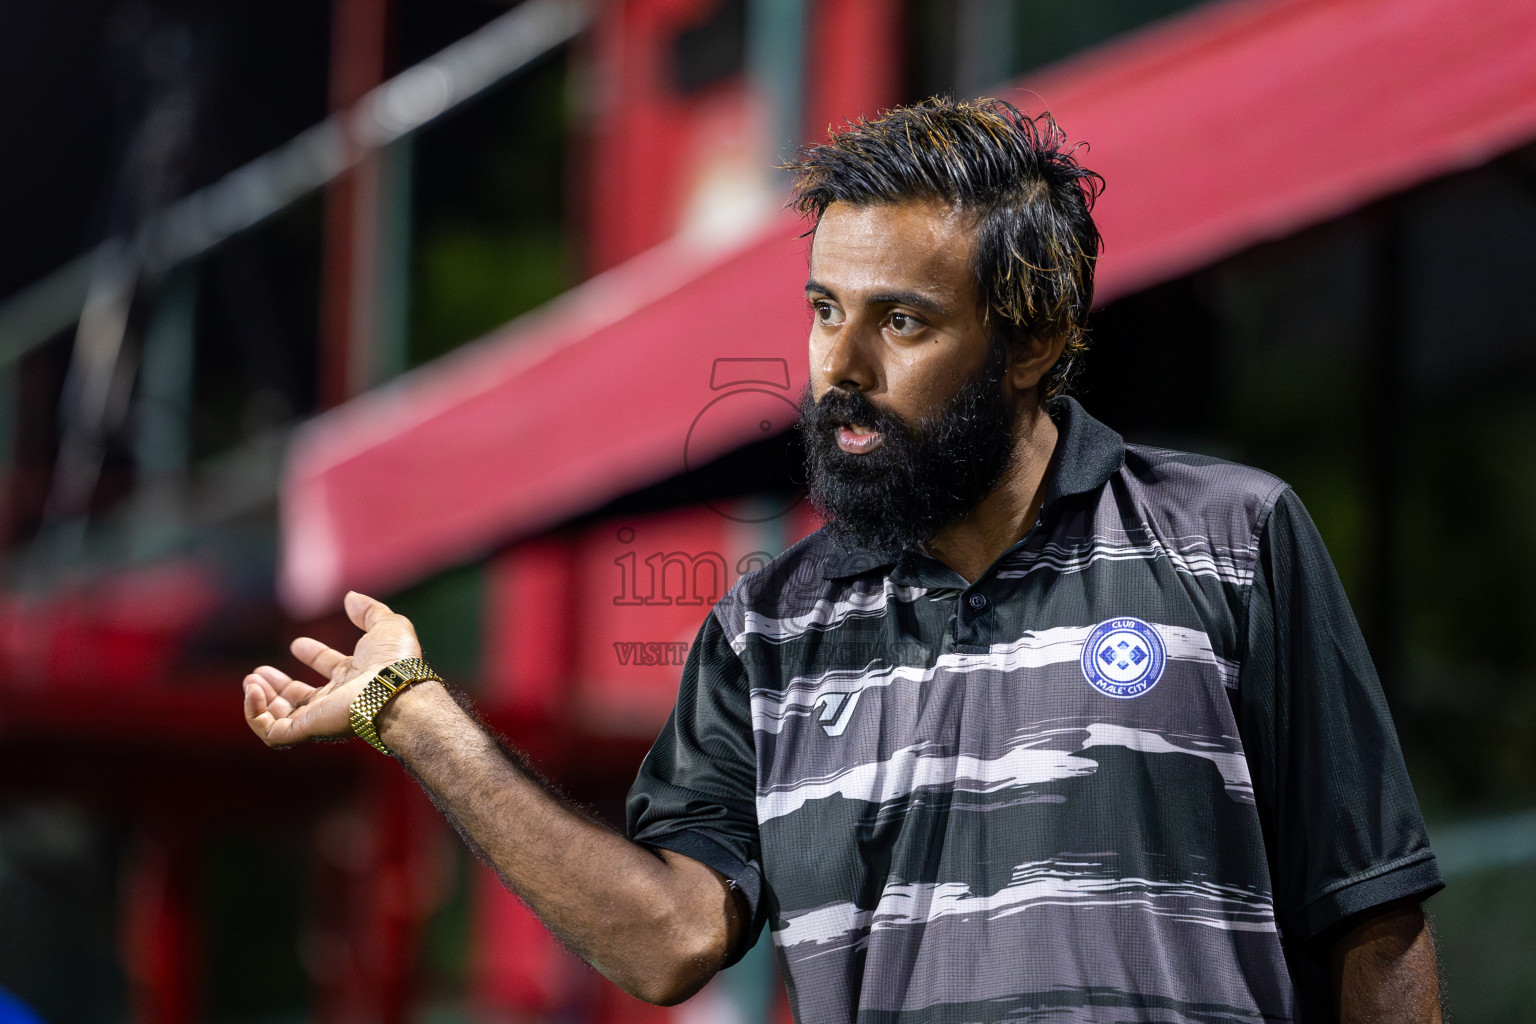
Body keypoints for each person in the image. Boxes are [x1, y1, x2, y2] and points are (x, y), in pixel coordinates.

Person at [243, 98, 1445, 1022]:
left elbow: (1371, 921)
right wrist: (421, 720)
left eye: (901, 321)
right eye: (825, 311)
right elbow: (666, 939)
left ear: (1031, 342)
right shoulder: (765, 634)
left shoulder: (1231, 542)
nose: (840, 368)